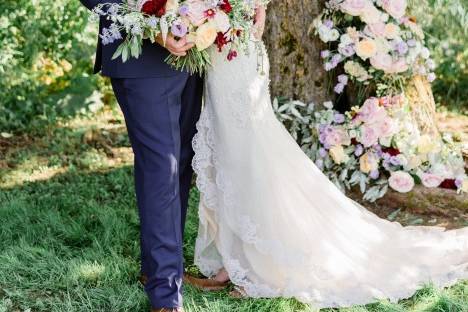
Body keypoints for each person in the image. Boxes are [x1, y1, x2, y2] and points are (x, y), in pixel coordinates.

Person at [186, 3, 468, 309]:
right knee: (236, 150)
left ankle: (255, 262)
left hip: (233, 47)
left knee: (245, 151)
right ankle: (237, 257)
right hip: (223, 43)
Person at [79, 1, 203, 311]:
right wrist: (152, 27)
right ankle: (165, 295)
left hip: (194, 49)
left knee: (181, 163)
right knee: (163, 168)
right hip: (139, 55)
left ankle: (159, 269)